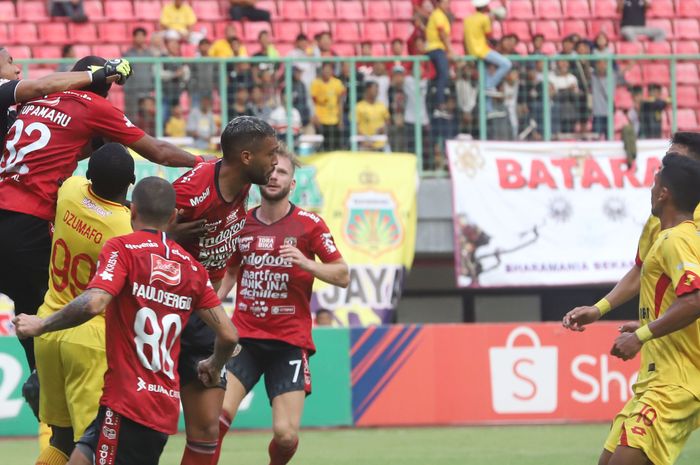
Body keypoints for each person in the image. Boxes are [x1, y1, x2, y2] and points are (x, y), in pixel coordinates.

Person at [0, 55, 203, 410]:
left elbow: (62, 145)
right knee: (56, 308)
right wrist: (203, 163)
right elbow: (156, 151)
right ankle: (46, 389)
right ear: (106, 88)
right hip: (28, 224)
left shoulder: (34, 100)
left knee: (27, 298)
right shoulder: (94, 111)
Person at [13, 177, 238, 465]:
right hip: (154, 404)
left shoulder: (123, 249)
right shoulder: (193, 269)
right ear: (172, 217)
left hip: (129, 404)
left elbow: (94, 301)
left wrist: (41, 325)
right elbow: (229, 335)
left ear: (131, 212)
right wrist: (214, 365)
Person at [562, 133, 700, 465]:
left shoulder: (685, 230)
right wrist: (600, 309)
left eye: (674, 158)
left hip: (680, 375)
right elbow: (644, 273)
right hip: (658, 368)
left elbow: (694, 298)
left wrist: (643, 333)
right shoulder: (661, 223)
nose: (665, 163)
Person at [213, 148, 350, 465]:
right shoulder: (241, 224)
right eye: (271, 170)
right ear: (260, 176)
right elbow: (231, 271)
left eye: (283, 172)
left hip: (289, 343)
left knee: (286, 436)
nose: (275, 176)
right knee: (215, 421)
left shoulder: (310, 225)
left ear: (292, 184)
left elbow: (342, 274)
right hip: (243, 338)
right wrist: (210, 305)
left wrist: (307, 264)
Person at [169, 116, 279, 465]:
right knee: (146, 427)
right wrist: (169, 236)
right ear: (246, 157)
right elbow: (137, 234)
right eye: (271, 153)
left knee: (206, 434)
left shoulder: (245, 184)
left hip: (202, 313)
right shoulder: (193, 189)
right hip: (165, 311)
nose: (276, 161)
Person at [30, 143, 135, 465]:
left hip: (48, 327)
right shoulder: (124, 227)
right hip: (90, 338)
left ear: (89, 175)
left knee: (60, 439)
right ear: (129, 183)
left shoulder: (71, 192)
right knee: (91, 443)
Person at [603, 154, 700, 465]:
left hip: (674, 384)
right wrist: (645, 325)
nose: (650, 189)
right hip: (653, 382)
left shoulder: (677, 239)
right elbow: (678, 300)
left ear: (663, 193)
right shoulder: (664, 237)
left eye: (654, 183)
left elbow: (695, 300)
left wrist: (641, 335)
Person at [464, 0, 511, 94]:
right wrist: (492, 21)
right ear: (485, 6)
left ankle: (488, 108)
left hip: (472, 51)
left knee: (486, 79)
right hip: (482, 51)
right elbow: (489, 35)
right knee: (506, 64)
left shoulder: (468, 19)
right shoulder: (484, 18)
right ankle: (489, 85)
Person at [425, 0, 454, 118]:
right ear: (438, 3)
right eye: (445, 2)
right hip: (436, 49)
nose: (448, 5)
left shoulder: (441, 15)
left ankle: (436, 99)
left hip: (438, 48)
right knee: (444, 74)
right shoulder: (438, 14)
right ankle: (440, 105)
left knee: (440, 76)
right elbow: (442, 34)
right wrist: (450, 50)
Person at [123, 27, 157, 123]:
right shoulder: (128, 54)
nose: (140, 38)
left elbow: (152, 71)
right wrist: (127, 88)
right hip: (131, 91)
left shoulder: (149, 54)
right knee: (131, 118)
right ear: (133, 38)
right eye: (138, 36)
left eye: (142, 36)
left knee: (148, 117)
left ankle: (147, 136)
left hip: (146, 90)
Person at [310, 62, 346, 152]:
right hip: (321, 120)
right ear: (321, 71)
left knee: (335, 146)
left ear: (332, 71)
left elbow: (340, 102)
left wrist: (340, 120)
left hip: (334, 119)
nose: (327, 72)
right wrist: (314, 116)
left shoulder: (337, 83)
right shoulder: (316, 83)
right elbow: (312, 102)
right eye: (325, 70)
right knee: (322, 147)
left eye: (329, 70)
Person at [356, 82, 390, 151]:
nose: (377, 91)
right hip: (365, 145)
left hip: (381, 144)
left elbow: (388, 122)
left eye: (378, 89)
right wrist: (364, 141)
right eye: (375, 89)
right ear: (367, 90)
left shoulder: (382, 106)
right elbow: (355, 126)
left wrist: (384, 128)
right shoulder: (359, 107)